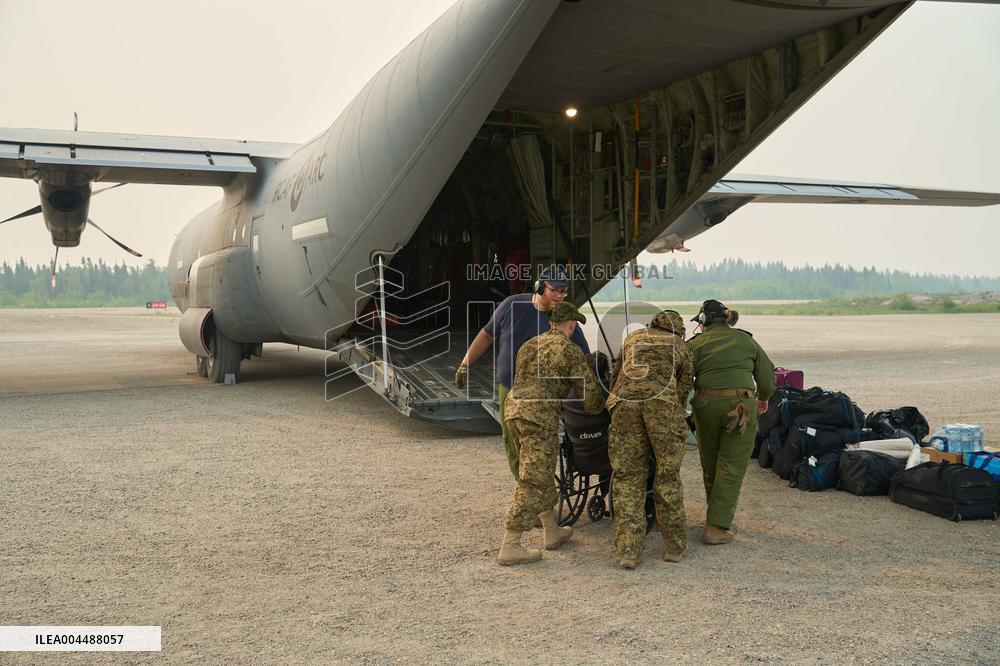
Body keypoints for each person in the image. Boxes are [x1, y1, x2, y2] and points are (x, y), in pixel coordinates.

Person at [454, 266, 590, 480]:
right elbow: (486, 335)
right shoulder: (512, 306)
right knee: (511, 441)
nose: (559, 296)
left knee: (541, 444)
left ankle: (539, 496)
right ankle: (525, 486)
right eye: (554, 290)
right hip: (509, 388)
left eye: (563, 291)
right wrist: (465, 364)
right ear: (539, 287)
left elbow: (583, 354)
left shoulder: (564, 317)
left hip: (543, 394)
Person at [497, 302, 605, 565]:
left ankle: (551, 531)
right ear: (570, 324)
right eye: (574, 324)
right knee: (533, 479)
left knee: (539, 472)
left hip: (513, 411)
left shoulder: (529, 345)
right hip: (538, 418)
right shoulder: (570, 351)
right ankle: (511, 544)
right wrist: (604, 403)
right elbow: (590, 399)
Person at [606, 310, 693, 569]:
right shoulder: (680, 346)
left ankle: (628, 553)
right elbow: (684, 389)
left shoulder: (634, 337)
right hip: (662, 406)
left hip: (624, 403)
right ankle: (674, 548)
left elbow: (616, 376)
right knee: (667, 477)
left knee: (627, 477)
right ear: (678, 331)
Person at [688, 299, 775, 545]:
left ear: (703, 321)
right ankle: (716, 525)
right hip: (740, 408)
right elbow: (767, 378)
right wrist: (764, 399)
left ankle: (714, 517)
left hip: (705, 407)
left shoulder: (695, 344)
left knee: (711, 462)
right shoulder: (746, 340)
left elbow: (681, 376)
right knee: (731, 465)